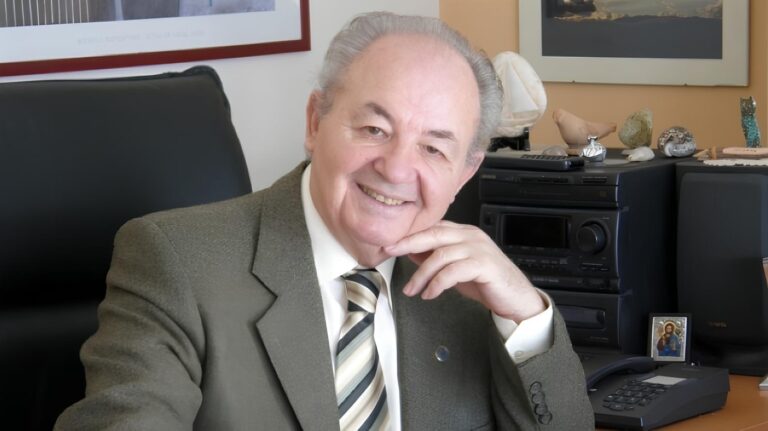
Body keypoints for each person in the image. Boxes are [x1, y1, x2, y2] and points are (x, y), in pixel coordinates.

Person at [55, 11, 593, 430]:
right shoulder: (177, 262)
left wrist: (526, 316)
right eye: (375, 130)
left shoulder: (471, 293)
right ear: (316, 122)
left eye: (433, 148)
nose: (396, 169)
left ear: (466, 172)